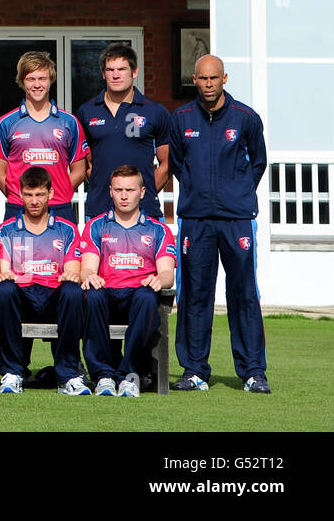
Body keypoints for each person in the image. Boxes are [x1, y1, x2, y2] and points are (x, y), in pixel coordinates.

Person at [168, 54, 270, 394]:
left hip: (237, 219)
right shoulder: (180, 118)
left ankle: (253, 371)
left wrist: (235, 192)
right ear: (194, 79)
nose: (209, 84)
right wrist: (199, 192)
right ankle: (195, 370)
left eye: (214, 78)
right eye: (202, 78)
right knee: (195, 294)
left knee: (243, 293)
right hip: (196, 220)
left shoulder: (246, 118)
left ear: (224, 78)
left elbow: (258, 163)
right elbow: (178, 165)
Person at [79, 166, 177, 397]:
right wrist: (89, 276)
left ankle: (128, 376)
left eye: (130, 190)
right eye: (119, 190)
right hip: (108, 293)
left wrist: (158, 279)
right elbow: (87, 268)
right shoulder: (96, 225)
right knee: (91, 295)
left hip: (138, 295)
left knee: (146, 296)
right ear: (110, 191)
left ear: (142, 192)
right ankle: (103, 376)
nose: (124, 196)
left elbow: (167, 274)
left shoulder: (158, 229)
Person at [0, 166, 87, 395]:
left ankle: (68, 375)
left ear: (50, 194)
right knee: (4, 289)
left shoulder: (67, 229)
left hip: (53, 298)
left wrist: (71, 274)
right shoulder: (6, 230)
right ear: (20, 194)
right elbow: (4, 270)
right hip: (23, 298)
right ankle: (13, 373)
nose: (34, 201)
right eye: (28, 194)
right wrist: (5, 274)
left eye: (39, 194)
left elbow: (73, 269)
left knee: (73, 291)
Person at [0, 51, 89, 221]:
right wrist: (23, 198)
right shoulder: (6, 123)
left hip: (59, 207)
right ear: (22, 81)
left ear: (50, 80)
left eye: (42, 79)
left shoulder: (69, 122)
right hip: (19, 207)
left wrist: (55, 194)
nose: (37, 84)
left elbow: (79, 171)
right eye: (31, 79)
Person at [79, 43, 171, 219]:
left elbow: (166, 164)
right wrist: (106, 187)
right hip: (99, 211)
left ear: (134, 72)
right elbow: (85, 164)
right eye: (110, 69)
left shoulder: (155, 111)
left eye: (122, 69)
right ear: (103, 73)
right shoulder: (87, 111)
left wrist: (140, 192)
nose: (115, 75)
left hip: (145, 211)